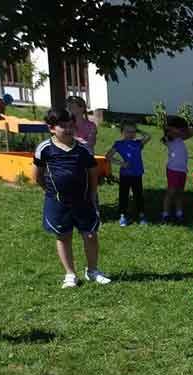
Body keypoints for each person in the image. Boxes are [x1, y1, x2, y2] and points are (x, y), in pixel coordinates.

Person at [34, 108, 112, 288]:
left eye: (71, 126)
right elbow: (37, 175)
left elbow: (93, 172)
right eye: (63, 126)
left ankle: (92, 271)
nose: (68, 129)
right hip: (58, 202)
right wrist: (50, 191)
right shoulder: (44, 149)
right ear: (52, 128)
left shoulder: (83, 149)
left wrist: (92, 193)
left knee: (91, 235)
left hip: (83, 201)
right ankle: (70, 274)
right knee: (63, 236)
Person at [105, 122, 151, 226]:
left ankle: (141, 214)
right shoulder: (119, 144)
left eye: (133, 132)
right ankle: (123, 215)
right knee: (123, 195)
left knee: (138, 195)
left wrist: (138, 130)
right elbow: (108, 156)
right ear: (122, 132)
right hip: (125, 174)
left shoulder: (138, 143)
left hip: (137, 174)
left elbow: (148, 136)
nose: (131, 134)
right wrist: (121, 163)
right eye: (128, 131)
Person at [162, 116, 193, 223]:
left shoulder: (180, 137)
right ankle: (165, 214)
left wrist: (183, 127)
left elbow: (192, 132)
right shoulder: (168, 138)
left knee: (180, 192)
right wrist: (173, 128)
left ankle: (179, 213)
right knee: (171, 192)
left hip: (182, 170)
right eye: (177, 128)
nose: (180, 130)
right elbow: (170, 133)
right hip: (173, 170)